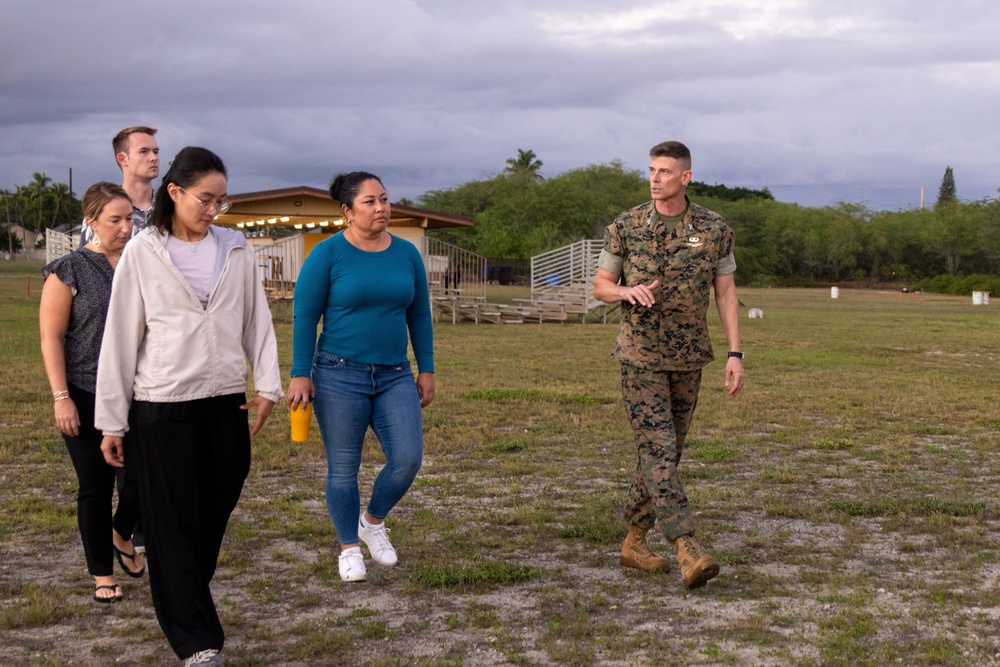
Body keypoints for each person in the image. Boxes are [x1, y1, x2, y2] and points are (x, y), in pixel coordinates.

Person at [95, 147, 283, 666]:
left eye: (221, 201)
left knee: (214, 506)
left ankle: (181, 593)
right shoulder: (143, 251)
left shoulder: (235, 248)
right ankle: (198, 643)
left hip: (225, 404)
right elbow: (120, 337)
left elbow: (255, 321)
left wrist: (267, 385)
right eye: (205, 198)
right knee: (172, 521)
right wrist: (112, 419)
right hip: (162, 406)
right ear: (174, 192)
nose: (213, 210)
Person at [592, 140, 745, 590]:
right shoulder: (627, 225)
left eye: (664, 171)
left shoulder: (715, 229)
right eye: (651, 170)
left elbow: (726, 293)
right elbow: (601, 285)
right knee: (658, 448)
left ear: (686, 177)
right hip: (639, 356)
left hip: (689, 357)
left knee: (664, 454)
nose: (655, 178)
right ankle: (686, 546)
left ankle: (635, 541)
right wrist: (626, 291)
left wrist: (736, 353)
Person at [287, 171, 435, 583]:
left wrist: (427, 367)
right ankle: (348, 547)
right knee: (343, 469)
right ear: (347, 211)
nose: (381, 208)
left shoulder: (406, 254)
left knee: (407, 459)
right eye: (369, 201)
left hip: (394, 375)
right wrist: (301, 373)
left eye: (384, 199)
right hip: (338, 374)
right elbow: (305, 316)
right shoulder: (327, 254)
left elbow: (419, 314)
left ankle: (372, 522)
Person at [40, 182, 144, 603]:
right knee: (96, 484)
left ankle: (122, 533)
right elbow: (51, 337)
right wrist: (60, 396)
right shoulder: (69, 269)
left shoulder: (144, 263)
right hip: (84, 390)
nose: (124, 228)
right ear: (92, 222)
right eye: (114, 220)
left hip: (140, 390)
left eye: (129, 219)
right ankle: (102, 573)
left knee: (142, 475)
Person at [80, 126, 159, 247]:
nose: (154, 158)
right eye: (144, 151)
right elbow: (87, 261)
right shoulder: (102, 210)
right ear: (123, 159)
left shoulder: (171, 207)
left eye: (155, 152)